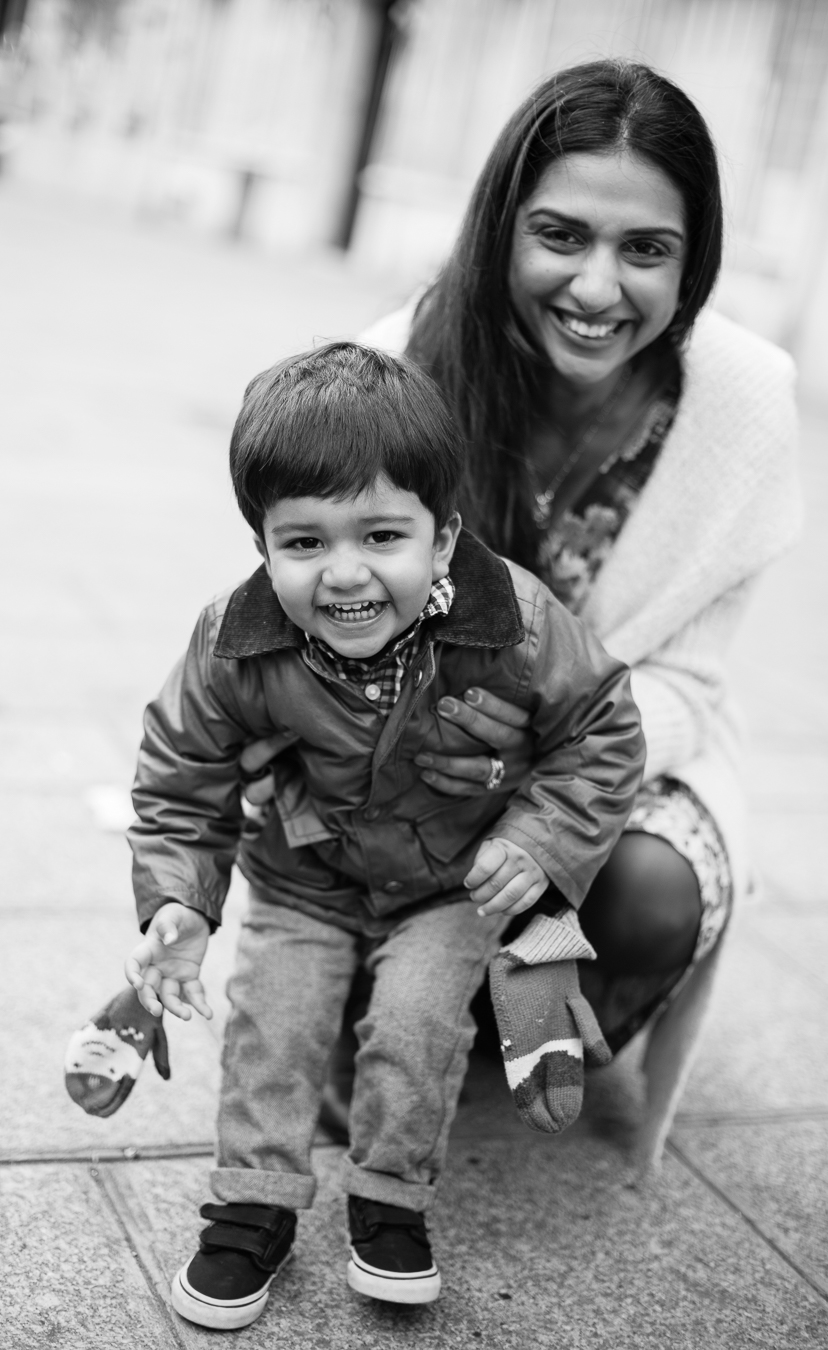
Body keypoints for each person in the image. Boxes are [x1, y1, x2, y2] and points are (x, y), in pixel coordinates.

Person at [244, 57, 802, 1063]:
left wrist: (542, 744)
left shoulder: (749, 401)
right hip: (414, 750)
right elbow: (314, 607)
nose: (597, 287)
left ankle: (535, 1031)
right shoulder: (402, 365)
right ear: (503, 226)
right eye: (560, 235)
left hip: (623, 754)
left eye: (646, 248)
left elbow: (694, 682)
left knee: (648, 897)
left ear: (695, 258)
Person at [122, 341, 645, 1330]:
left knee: (414, 1024)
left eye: (382, 535)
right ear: (261, 545)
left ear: (443, 540)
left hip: (449, 881)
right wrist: (181, 901)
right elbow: (180, 775)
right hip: (303, 877)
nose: (345, 573)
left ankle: (390, 1198)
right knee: (271, 1023)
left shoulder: (518, 624)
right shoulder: (233, 644)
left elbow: (604, 731)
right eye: (305, 542)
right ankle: (252, 1205)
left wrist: (538, 837)